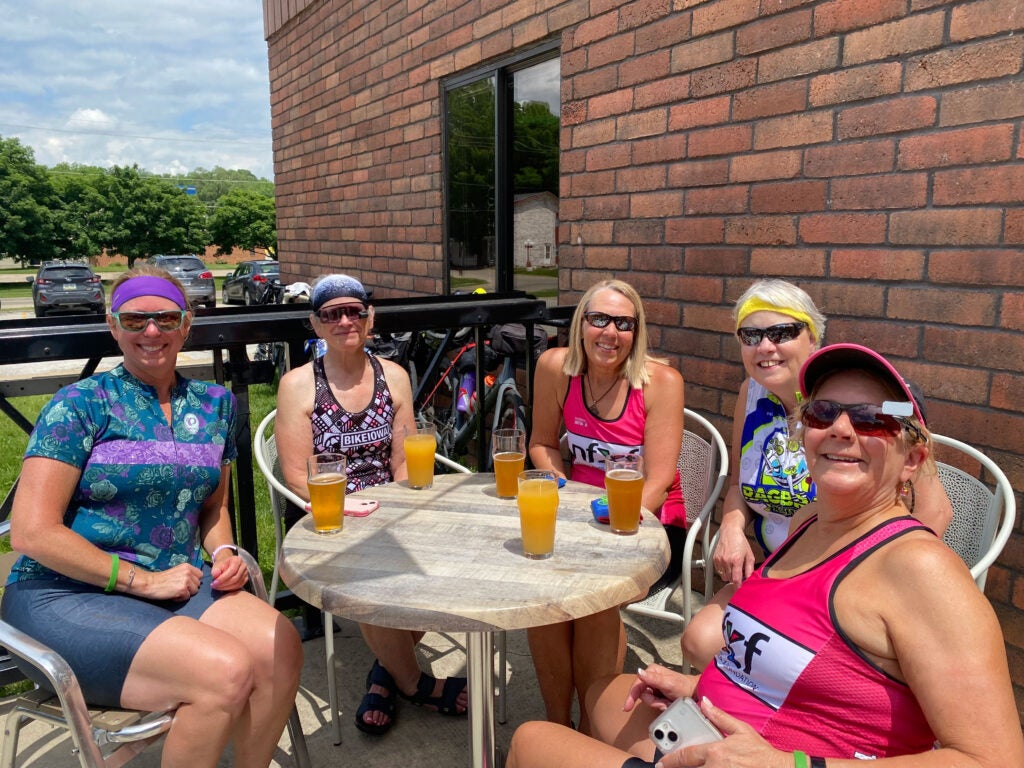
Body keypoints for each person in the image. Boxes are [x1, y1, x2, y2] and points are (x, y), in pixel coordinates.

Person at [507, 343, 1024, 768]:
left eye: (872, 420)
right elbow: (799, 667)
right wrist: (702, 683)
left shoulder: (922, 571)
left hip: (790, 762)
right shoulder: (808, 526)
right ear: (805, 435)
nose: (842, 428)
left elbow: (993, 760)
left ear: (912, 457)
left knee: (533, 741)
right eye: (823, 412)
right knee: (606, 691)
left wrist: (791, 765)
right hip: (726, 732)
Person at [1, 266, 303, 768]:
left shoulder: (215, 405)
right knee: (223, 672)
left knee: (281, 646)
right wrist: (143, 582)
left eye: (165, 318)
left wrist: (224, 551)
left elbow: (215, 507)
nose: (152, 332)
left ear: (186, 325)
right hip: (67, 593)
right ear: (113, 326)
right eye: (135, 319)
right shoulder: (79, 405)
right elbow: (33, 532)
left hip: (176, 584)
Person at [680, 279, 952, 669]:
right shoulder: (751, 393)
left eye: (782, 332)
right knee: (697, 640)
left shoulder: (863, 402)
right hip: (772, 570)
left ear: (813, 339)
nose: (765, 347)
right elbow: (740, 483)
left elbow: (935, 511)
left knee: (721, 650)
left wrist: (871, 591)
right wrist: (733, 528)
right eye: (751, 335)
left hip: (843, 586)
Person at [275, 273, 467, 736]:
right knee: (371, 571)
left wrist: (406, 510)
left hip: (390, 504)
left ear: (369, 317)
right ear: (315, 324)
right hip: (330, 514)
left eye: (354, 311)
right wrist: (350, 512)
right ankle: (415, 682)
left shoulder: (393, 376)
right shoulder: (298, 385)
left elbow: (403, 460)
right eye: (332, 314)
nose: (345, 320)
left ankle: (384, 674)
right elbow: (299, 476)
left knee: (444, 560)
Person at [527, 278, 686, 731]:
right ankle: (558, 723)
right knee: (543, 592)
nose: (610, 333)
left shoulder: (662, 382)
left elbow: (658, 480)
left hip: (647, 519)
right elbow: (541, 442)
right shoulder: (556, 368)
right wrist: (558, 485)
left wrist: (617, 517)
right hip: (577, 511)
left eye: (623, 323)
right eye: (599, 319)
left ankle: (592, 726)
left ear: (637, 332)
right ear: (581, 324)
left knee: (594, 597)